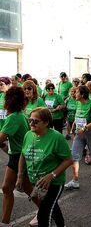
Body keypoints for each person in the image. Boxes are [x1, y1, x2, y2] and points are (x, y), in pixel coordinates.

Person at [16, 107, 73, 227]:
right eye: (29, 120)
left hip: (54, 183)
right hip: (36, 182)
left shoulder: (56, 137)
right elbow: (23, 154)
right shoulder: (28, 135)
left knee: (43, 215)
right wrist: (20, 176)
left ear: (46, 122)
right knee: (53, 207)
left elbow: (68, 160)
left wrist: (51, 175)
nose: (31, 123)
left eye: (35, 121)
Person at [0, 86, 39, 226]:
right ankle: (5, 222)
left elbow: (1, 139)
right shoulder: (19, 115)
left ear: (9, 101)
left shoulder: (13, 118)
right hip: (16, 156)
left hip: (21, 157)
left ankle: (46, 211)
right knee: (6, 188)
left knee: (28, 188)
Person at [64, 85, 91, 189]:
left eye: (76, 92)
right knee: (74, 156)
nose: (74, 94)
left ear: (82, 94)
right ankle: (75, 180)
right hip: (79, 134)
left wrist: (85, 128)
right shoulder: (78, 103)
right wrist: (73, 126)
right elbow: (78, 116)